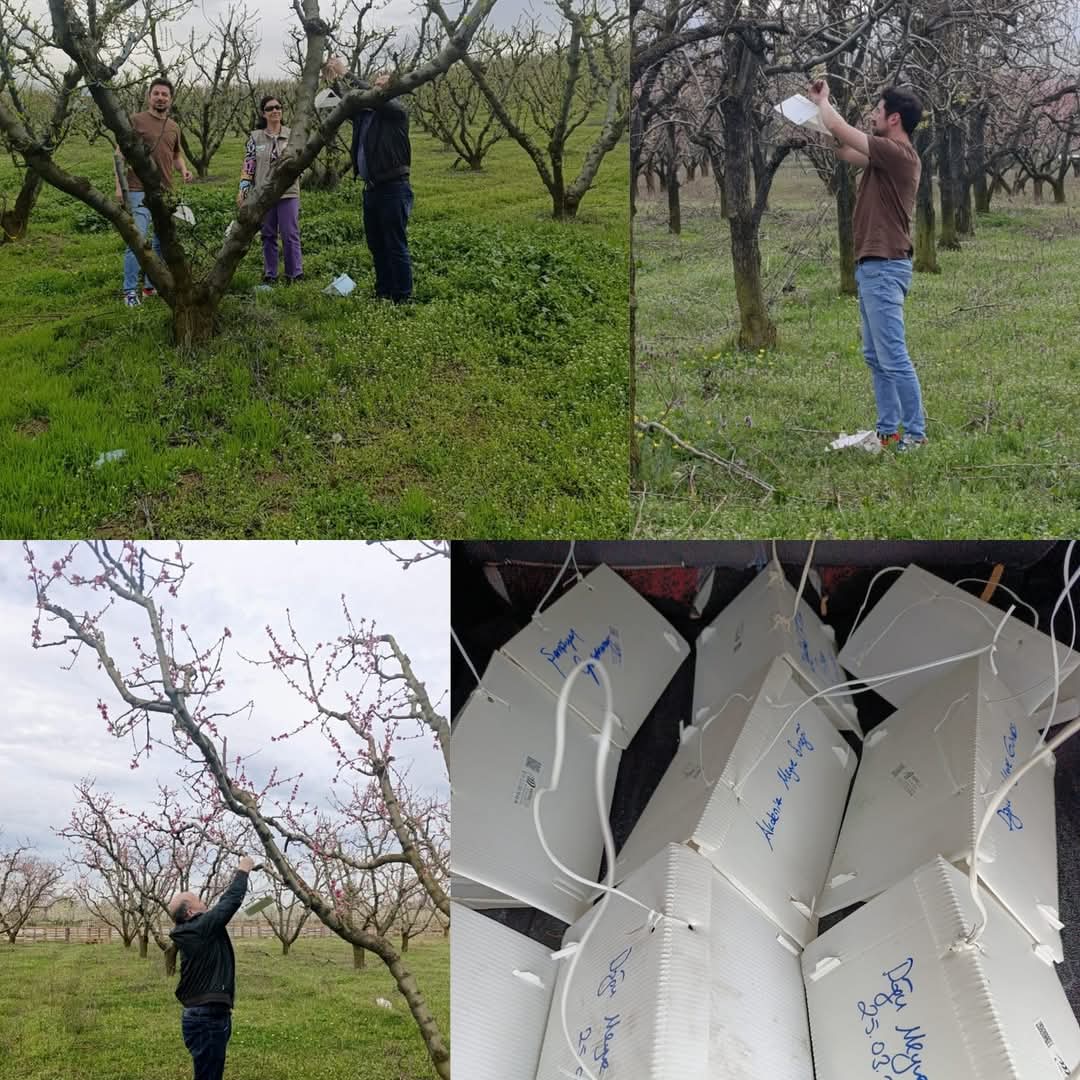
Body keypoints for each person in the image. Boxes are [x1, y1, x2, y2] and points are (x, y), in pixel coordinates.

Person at [807, 81, 927, 451]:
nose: (872, 115)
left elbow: (845, 132)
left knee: (893, 355)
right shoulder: (884, 157)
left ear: (894, 118)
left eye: (877, 110)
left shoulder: (898, 154)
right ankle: (888, 430)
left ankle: (915, 434)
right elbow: (845, 149)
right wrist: (818, 121)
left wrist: (824, 102)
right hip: (874, 266)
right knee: (876, 355)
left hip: (885, 266)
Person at [321, 56, 413, 302]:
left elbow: (377, 98)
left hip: (394, 187)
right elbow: (347, 101)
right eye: (376, 84)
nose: (376, 87)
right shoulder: (365, 115)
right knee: (377, 245)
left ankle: (402, 297)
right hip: (371, 189)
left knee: (395, 244)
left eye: (382, 84)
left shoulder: (397, 112)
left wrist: (347, 73)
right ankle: (383, 292)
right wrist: (334, 80)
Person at [167, 855, 254, 1080]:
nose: (202, 900)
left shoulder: (194, 930)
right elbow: (230, 901)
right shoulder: (199, 929)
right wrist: (243, 869)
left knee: (207, 1072)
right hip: (207, 1018)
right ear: (189, 912)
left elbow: (223, 907)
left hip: (202, 1015)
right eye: (196, 899)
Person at [115, 77, 193, 308]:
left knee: (161, 241)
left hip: (166, 191)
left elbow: (176, 155)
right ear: (149, 96)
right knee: (137, 241)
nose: (160, 97)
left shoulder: (173, 126)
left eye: (165, 94)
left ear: (171, 99)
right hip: (139, 189)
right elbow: (119, 154)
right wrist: (121, 187)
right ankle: (129, 290)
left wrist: (185, 170)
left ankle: (150, 285)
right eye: (156, 93)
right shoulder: (135, 121)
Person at [239, 96, 303, 285]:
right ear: (263, 113)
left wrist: (297, 176)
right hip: (264, 193)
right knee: (267, 233)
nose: (275, 111)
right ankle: (270, 273)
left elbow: (302, 160)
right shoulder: (255, 137)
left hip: (288, 192)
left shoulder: (292, 135)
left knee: (289, 232)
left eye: (278, 107)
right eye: (270, 108)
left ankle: (295, 273)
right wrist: (243, 189)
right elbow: (249, 164)